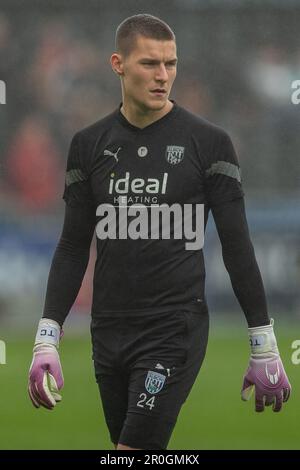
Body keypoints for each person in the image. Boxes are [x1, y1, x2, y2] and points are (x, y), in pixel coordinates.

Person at [28, 14, 291, 451]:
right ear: (118, 64)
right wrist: (47, 335)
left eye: (171, 64)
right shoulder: (88, 145)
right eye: (150, 63)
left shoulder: (209, 143)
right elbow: (74, 245)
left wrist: (262, 341)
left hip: (174, 329)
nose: (163, 75)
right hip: (108, 330)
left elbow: (237, 246)